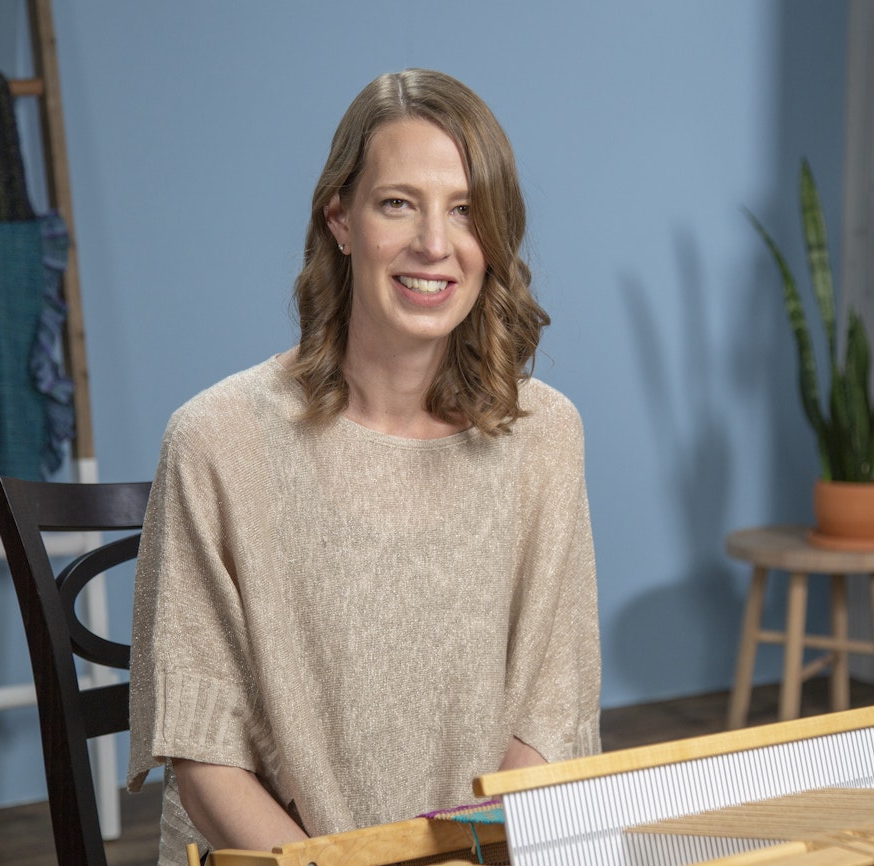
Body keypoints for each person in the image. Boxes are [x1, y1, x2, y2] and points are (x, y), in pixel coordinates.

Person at [126, 68, 601, 865]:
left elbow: (550, 719)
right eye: (397, 203)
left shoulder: (545, 434)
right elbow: (202, 754)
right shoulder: (214, 440)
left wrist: (467, 857)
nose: (434, 245)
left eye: (464, 210)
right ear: (340, 219)